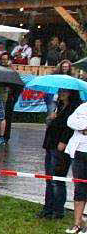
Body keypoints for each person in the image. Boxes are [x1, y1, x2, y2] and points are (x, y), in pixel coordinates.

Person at [40, 89, 81, 220]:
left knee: (57, 179)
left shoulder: (74, 107)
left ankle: (58, 211)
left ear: (71, 93)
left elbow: (70, 127)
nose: (62, 93)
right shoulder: (59, 106)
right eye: (60, 91)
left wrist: (63, 142)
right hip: (50, 143)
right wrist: (50, 118)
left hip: (61, 146)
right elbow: (51, 123)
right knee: (49, 178)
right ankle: (48, 208)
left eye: (65, 91)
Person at [64, 101, 87, 234]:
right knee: (79, 188)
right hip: (78, 151)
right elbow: (70, 121)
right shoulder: (83, 107)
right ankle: (77, 223)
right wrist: (83, 126)